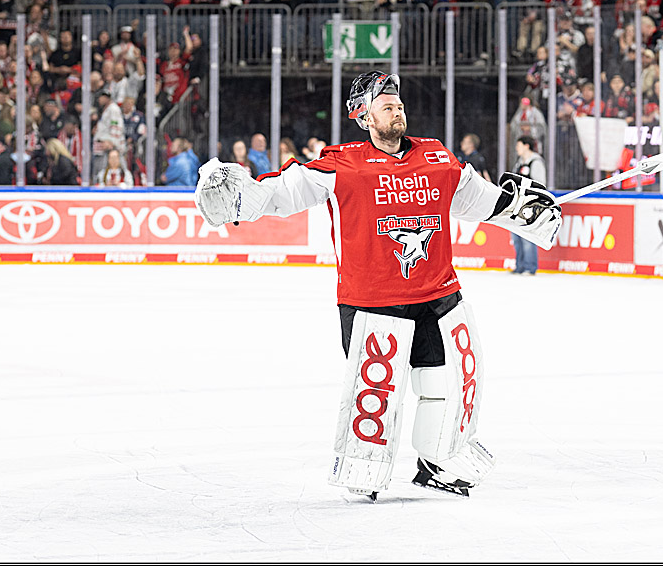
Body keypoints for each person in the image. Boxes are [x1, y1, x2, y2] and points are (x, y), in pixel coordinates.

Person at [193, 70, 561, 500]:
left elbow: (476, 198)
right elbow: (284, 192)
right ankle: (363, 467)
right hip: (372, 303)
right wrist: (242, 199)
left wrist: (520, 209)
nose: (397, 107)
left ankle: (438, 461)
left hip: (438, 296)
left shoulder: (437, 157)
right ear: (362, 115)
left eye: (398, 102)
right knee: (378, 393)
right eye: (385, 104)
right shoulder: (342, 164)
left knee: (446, 385)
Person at [510, 136, 546, 276]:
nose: (516, 148)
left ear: (526, 146)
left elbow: (540, 184)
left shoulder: (536, 162)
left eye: (518, 145)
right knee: (516, 237)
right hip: (517, 204)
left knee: (527, 237)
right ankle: (519, 265)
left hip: (530, 205)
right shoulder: (519, 163)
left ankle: (530, 267)